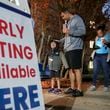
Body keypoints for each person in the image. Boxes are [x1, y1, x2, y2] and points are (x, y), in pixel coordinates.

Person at [60, 7, 86, 97]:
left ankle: (79, 89)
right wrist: (59, 41)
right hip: (68, 48)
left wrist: (69, 31)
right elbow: (68, 36)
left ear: (67, 13)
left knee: (76, 69)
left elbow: (82, 31)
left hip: (75, 48)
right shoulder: (68, 22)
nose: (62, 17)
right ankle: (72, 88)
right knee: (70, 69)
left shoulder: (77, 19)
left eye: (62, 15)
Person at [89, 24, 110, 92]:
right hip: (97, 56)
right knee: (95, 71)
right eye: (98, 33)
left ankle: (106, 85)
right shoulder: (96, 37)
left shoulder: (108, 35)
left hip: (104, 55)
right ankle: (93, 85)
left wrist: (106, 42)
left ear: (103, 31)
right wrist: (94, 44)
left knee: (106, 71)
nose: (99, 34)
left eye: (100, 33)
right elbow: (94, 47)